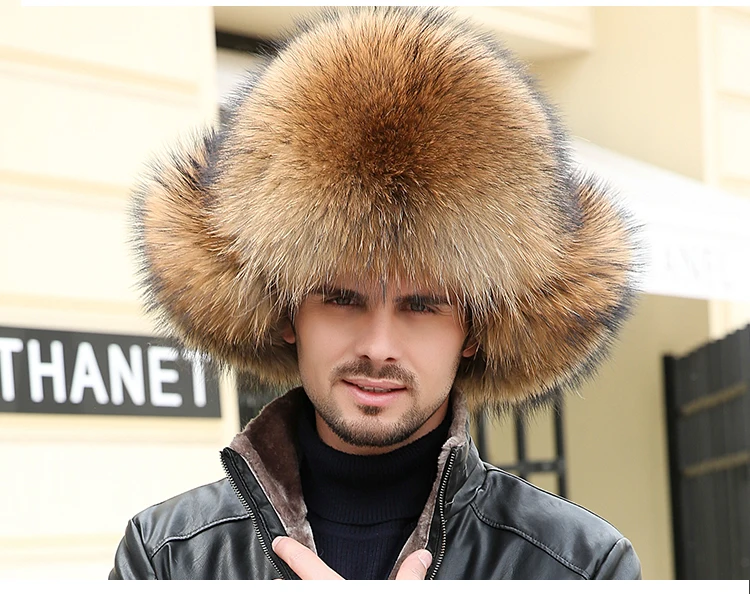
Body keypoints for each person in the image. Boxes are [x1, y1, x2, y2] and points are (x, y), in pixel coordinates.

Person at [110, 6, 642, 580]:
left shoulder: (578, 565)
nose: (379, 346)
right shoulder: (168, 557)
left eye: (422, 305)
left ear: (474, 329)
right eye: (342, 298)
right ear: (285, 311)